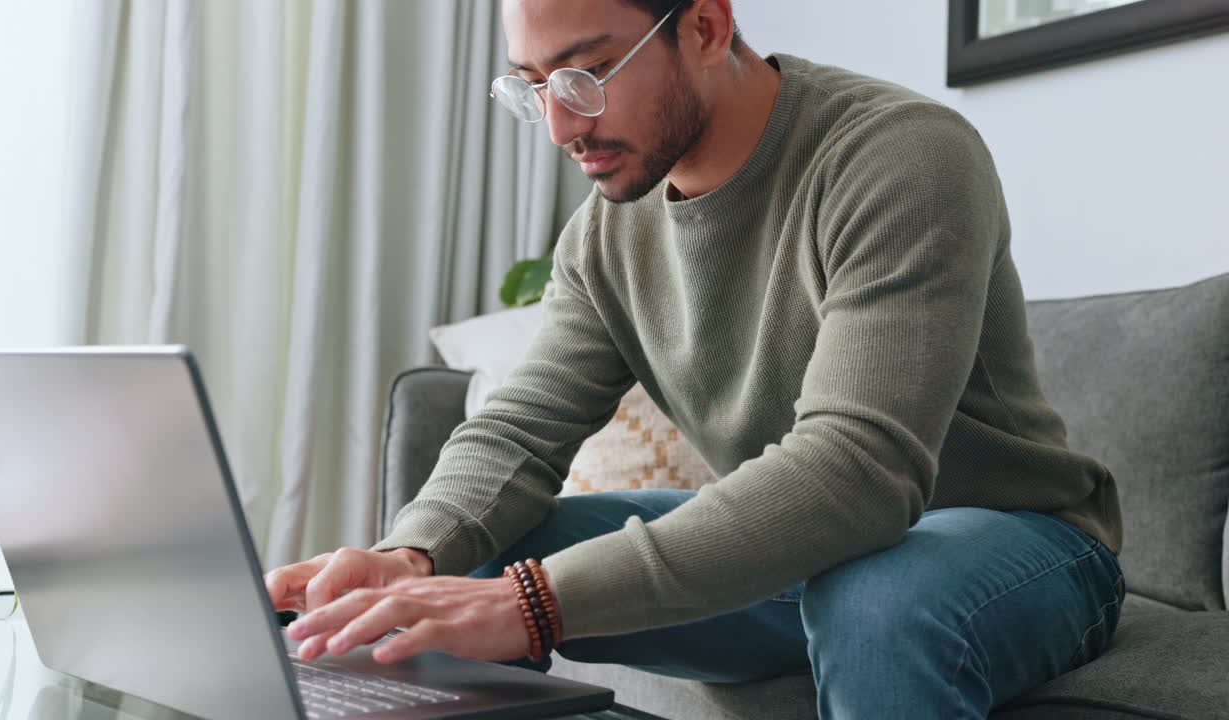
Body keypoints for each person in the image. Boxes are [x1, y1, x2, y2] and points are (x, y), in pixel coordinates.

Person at [265, 0, 1125, 716]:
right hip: (807, 563)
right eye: (534, 89)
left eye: (586, 74)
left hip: (1014, 544)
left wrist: (536, 602)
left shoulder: (899, 155)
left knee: (877, 601)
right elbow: (520, 431)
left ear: (706, 28)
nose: (561, 125)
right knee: (479, 555)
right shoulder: (604, 236)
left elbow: (860, 471)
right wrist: (410, 554)